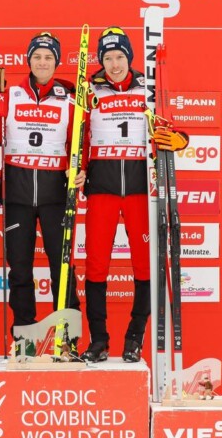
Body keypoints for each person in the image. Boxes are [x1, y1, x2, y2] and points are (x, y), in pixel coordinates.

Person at [79, 26, 187, 363]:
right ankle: (98, 340)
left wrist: (181, 139)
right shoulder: (90, 91)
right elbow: (78, 135)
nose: (114, 64)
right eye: (108, 58)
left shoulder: (148, 90)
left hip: (141, 190)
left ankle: (134, 337)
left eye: (120, 57)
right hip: (102, 190)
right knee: (96, 266)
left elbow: (169, 127)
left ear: (130, 57)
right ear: (101, 60)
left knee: (145, 265)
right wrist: (79, 168)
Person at [3, 32, 81, 356]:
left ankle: (69, 340)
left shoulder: (70, 96)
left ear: (57, 62)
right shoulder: (11, 94)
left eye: (49, 57)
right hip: (17, 196)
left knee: (61, 268)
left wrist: (81, 168)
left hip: (54, 196)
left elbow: (83, 138)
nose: (43, 62)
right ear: (29, 60)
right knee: (19, 269)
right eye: (37, 57)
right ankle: (25, 341)